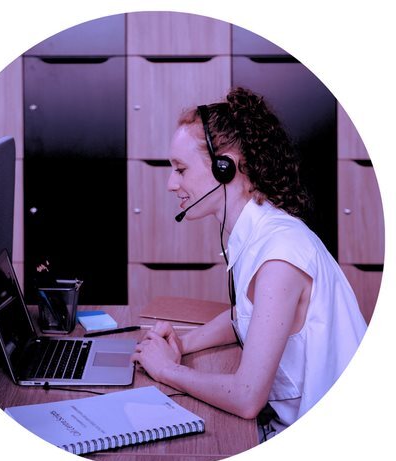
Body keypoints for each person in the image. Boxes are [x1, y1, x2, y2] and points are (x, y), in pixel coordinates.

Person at [131, 87, 367, 440]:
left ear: (225, 167)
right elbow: (247, 315)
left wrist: (168, 371)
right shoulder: (257, 232)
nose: (170, 184)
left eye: (180, 169)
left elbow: (246, 398)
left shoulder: (278, 255)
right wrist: (184, 343)